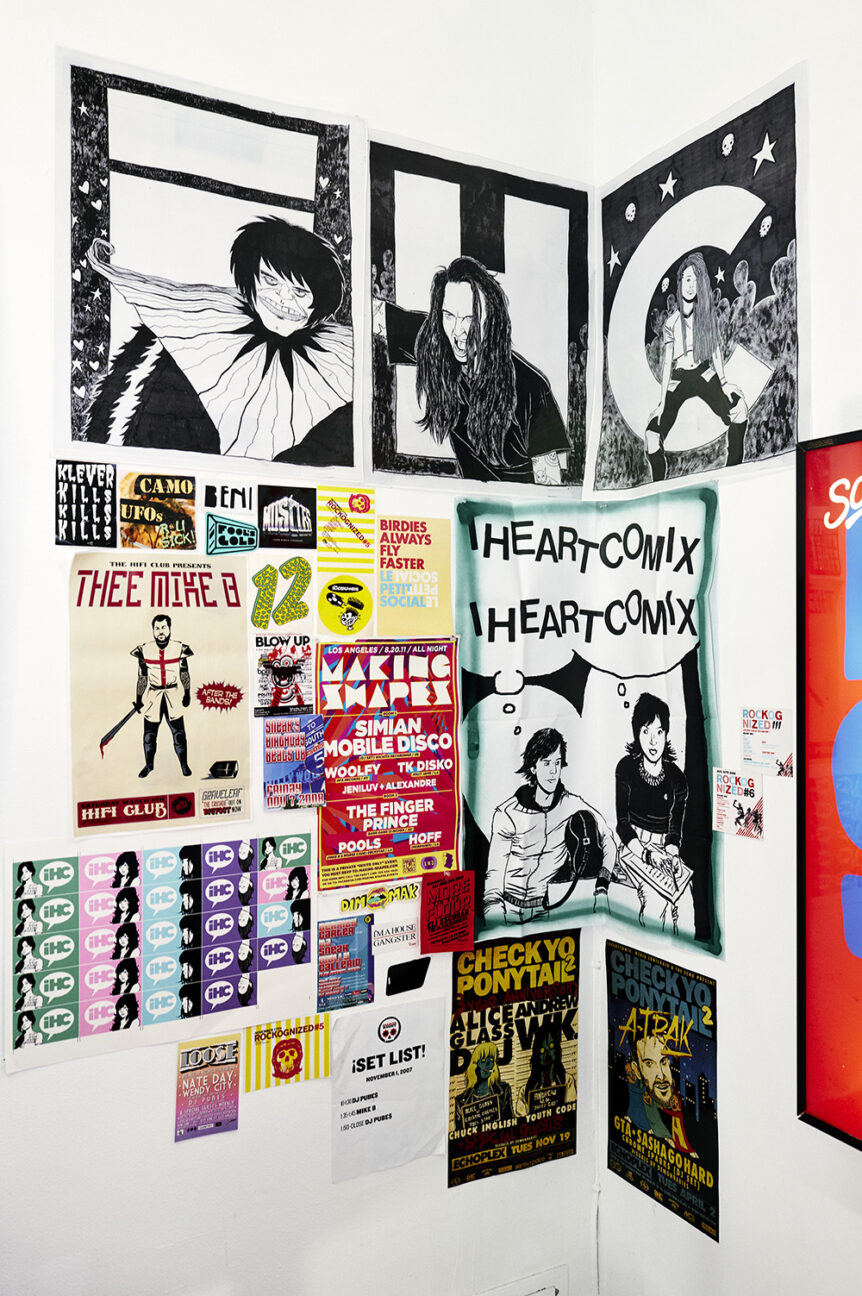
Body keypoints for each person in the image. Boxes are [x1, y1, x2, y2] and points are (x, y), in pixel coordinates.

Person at [84, 217, 352, 465]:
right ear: (250, 277)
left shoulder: (339, 353)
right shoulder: (194, 323)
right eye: (270, 280)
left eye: (299, 292)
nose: (283, 299)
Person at [376, 256, 570, 485]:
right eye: (449, 315)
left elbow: (550, 484)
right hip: (468, 500)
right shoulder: (438, 345)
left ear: (492, 320)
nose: (458, 331)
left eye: (470, 318)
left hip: (518, 502)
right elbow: (372, 314)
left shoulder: (532, 388)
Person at [485, 727, 617, 924]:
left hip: (548, 909)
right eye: (546, 763)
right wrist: (496, 922)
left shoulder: (571, 804)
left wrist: (602, 887)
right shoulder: (507, 814)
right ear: (533, 767)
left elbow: (608, 838)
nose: (553, 771)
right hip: (508, 908)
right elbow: (493, 883)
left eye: (557, 763)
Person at [645, 251, 748, 481]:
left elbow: (715, 349)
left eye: (695, 280)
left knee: (740, 409)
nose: (691, 285)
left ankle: (734, 472)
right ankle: (658, 485)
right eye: (687, 279)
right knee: (651, 435)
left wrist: (724, 383)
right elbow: (667, 363)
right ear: (680, 282)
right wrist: (662, 402)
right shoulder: (671, 322)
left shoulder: (705, 316)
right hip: (679, 378)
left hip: (703, 371)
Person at [615, 693, 690, 934]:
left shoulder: (677, 778)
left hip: (664, 849)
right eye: (646, 731)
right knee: (656, 903)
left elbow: (675, 828)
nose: (653, 741)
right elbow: (622, 824)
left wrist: (673, 854)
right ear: (637, 733)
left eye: (659, 732)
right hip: (634, 847)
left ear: (666, 734)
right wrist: (647, 855)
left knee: (685, 903)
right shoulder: (625, 768)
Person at [132, 614, 193, 779]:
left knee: (179, 734)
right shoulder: (144, 650)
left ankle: (184, 764)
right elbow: (142, 677)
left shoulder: (179, 648)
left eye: (164, 627)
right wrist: (138, 699)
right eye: (157, 628)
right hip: (153, 696)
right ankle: (149, 765)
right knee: (149, 736)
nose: (160, 631)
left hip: (173, 695)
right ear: (153, 630)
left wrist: (187, 693)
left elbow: (184, 673)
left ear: (169, 628)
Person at [625, 1031, 697, 1158]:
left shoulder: (672, 1099)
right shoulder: (645, 1092)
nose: (661, 1076)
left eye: (663, 1061)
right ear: (637, 1070)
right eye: (649, 1064)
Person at [517, 1022, 576, 1117]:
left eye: (551, 1046)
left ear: (557, 1049)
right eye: (542, 1050)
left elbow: (571, 1113)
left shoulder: (567, 1080)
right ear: (536, 1055)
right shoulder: (524, 1091)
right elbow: (521, 1119)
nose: (548, 1053)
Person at [453, 1042, 515, 1131]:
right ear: (475, 1065)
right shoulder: (461, 1101)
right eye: (483, 1061)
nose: (487, 1065)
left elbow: (510, 1125)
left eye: (491, 1060)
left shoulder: (503, 1091)